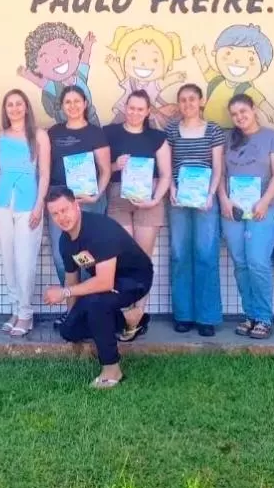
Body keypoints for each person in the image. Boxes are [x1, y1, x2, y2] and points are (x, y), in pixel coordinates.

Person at [42, 187, 153, 389]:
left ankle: (112, 369)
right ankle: (129, 319)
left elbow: (104, 283)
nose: (61, 217)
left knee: (96, 303)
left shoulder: (99, 230)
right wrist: (73, 316)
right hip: (106, 281)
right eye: (55, 214)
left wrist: (63, 293)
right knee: (69, 330)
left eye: (64, 210)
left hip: (134, 279)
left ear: (76, 206)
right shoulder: (65, 242)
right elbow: (72, 280)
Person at [217, 94, 274, 340]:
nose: (239, 117)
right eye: (234, 114)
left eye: (243, 111)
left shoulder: (273, 137)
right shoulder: (228, 139)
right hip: (233, 210)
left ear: (254, 110)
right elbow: (220, 174)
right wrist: (224, 199)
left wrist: (265, 201)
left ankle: (264, 318)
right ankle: (250, 315)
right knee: (241, 264)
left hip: (264, 209)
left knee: (258, 262)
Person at [103, 90, 172, 341]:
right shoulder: (110, 133)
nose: (134, 113)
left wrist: (155, 199)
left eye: (140, 109)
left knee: (142, 260)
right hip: (119, 198)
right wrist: (115, 165)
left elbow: (165, 174)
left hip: (149, 199)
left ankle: (137, 316)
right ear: (125, 107)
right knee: (121, 257)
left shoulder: (157, 137)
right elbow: (101, 169)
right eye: (131, 108)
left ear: (148, 111)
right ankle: (121, 312)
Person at [0, 89, 50, 338]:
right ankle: (15, 309)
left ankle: (25, 312)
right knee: (9, 259)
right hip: (2, 202)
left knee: (25, 260)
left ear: (26, 107)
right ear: (5, 109)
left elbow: (44, 173)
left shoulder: (39, 135)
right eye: (10, 104)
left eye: (18, 104)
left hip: (28, 203)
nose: (14, 108)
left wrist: (39, 205)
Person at [165, 84, 225, 337]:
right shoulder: (171, 130)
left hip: (205, 202)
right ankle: (183, 315)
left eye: (192, 99)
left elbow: (218, 166)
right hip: (178, 201)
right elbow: (167, 165)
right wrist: (171, 188)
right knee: (180, 255)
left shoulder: (213, 130)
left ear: (201, 101)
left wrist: (211, 195)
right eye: (183, 99)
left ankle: (206, 317)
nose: (188, 103)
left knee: (206, 255)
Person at [46, 86, 111, 298]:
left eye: (77, 101)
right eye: (68, 102)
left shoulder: (95, 133)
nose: (72, 106)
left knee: (86, 257)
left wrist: (96, 195)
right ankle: (72, 304)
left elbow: (105, 170)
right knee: (61, 255)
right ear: (62, 106)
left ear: (85, 104)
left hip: (88, 201)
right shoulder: (53, 133)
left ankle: (87, 306)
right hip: (58, 200)